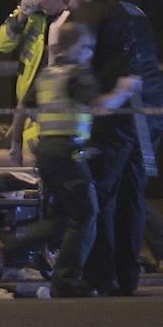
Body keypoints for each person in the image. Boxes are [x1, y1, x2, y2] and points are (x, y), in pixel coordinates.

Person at [9, 21, 142, 297]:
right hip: (67, 152)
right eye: (87, 47)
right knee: (86, 215)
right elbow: (101, 107)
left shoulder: (47, 74)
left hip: (46, 151)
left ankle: (12, 243)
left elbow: (23, 108)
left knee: (64, 217)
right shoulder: (78, 74)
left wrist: (14, 143)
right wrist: (124, 90)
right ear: (76, 48)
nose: (90, 53)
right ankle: (66, 280)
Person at [60, 0, 163, 296]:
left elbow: (76, 64)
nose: (67, 8)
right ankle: (127, 276)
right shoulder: (135, 11)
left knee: (99, 195)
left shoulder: (89, 14)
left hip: (112, 118)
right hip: (149, 116)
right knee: (133, 196)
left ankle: (101, 275)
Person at [0, 0, 72, 151]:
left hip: (54, 109)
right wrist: (20, 18)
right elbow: (1, 44)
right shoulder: (32, 15)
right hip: (27, 106)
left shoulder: (73, 19)